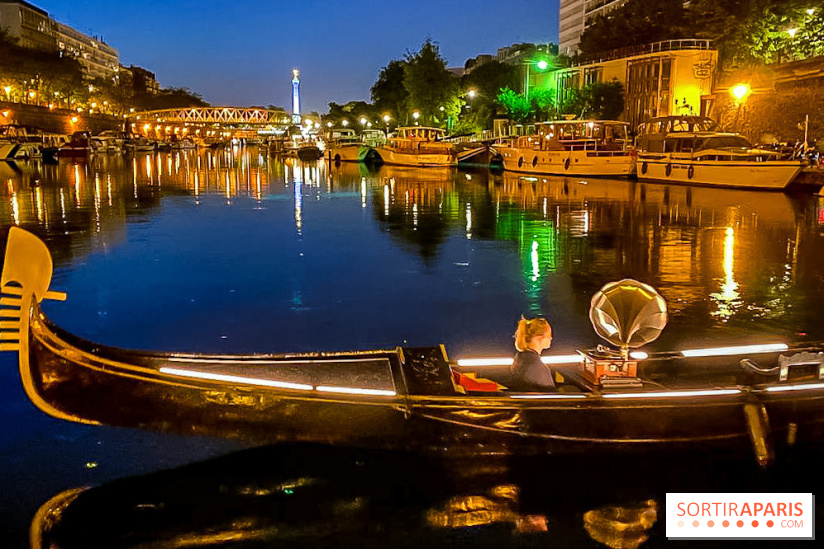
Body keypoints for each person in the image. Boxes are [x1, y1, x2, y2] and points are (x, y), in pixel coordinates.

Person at [509, 316, 556, 392]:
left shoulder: (519, 358)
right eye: (549, 334)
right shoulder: (537, 367)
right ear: (539, 337)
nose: (551, 338)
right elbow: (551, 396)